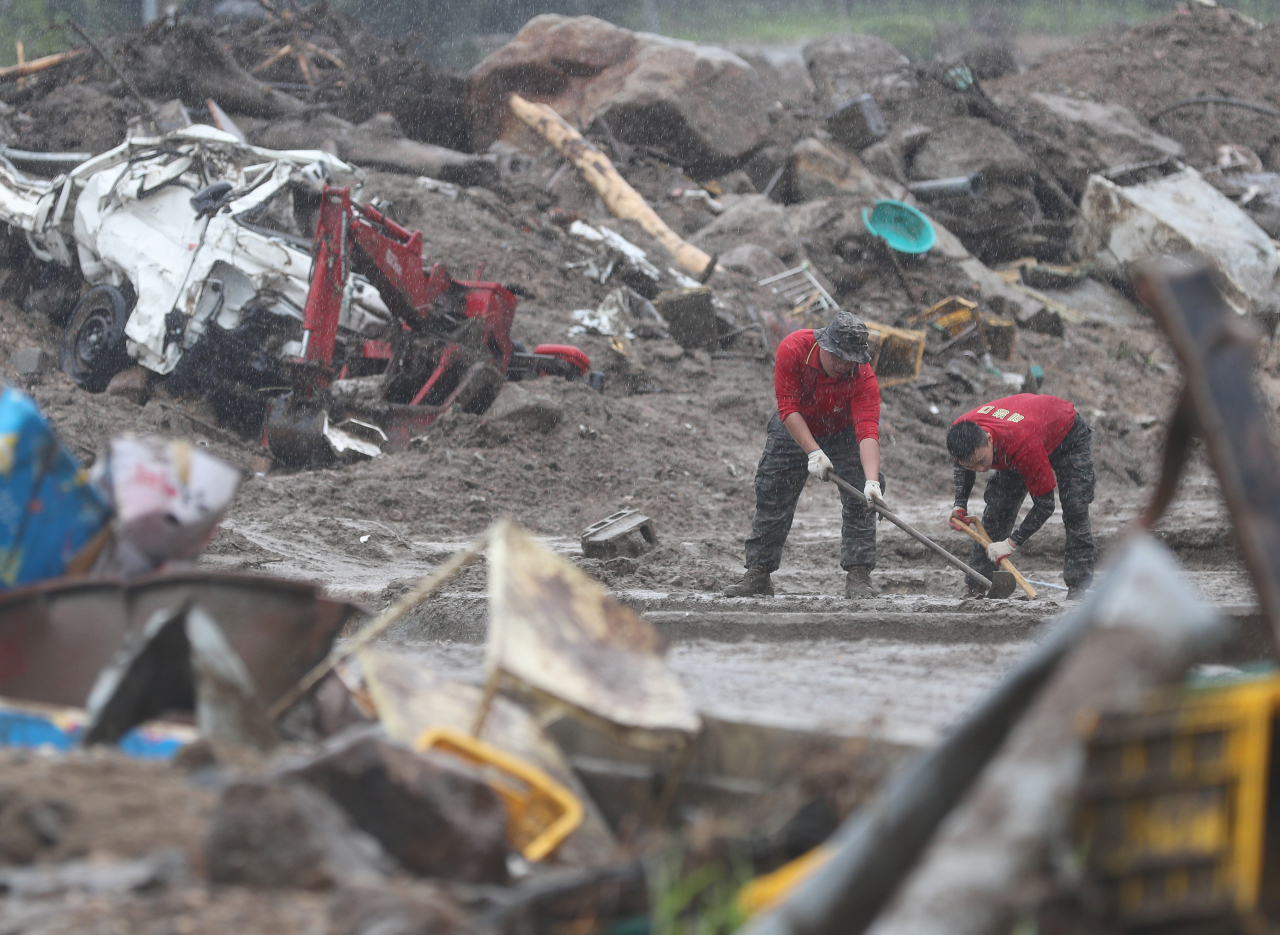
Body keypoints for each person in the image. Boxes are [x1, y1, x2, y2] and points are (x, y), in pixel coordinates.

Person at [723, 310, 886, 600]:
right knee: (773, 493)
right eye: (836, 355)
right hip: (795, 424)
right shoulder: (793, 349)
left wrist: (871, 482)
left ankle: (859, 577)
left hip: (844, 431)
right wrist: (813, 452)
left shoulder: (863, 378)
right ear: (823, 344)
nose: (841, 365)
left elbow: (867, 431)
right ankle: (758, 574)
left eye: (849, 359)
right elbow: (787, 407)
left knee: (862, 500)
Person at [946, 393, 1095, 599]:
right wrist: (959, 504)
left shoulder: (1022, 443)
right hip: (1021, 436)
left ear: (989, 439)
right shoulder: (962, 432)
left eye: (982, 461)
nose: (980, 470)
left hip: (1066, 437)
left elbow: (1045, 505)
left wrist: (1011, 543)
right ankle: (977, 584)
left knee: (1075, 508)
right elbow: (963, 465)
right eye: (972, 465)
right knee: (998, 509)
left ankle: (1078, 587)